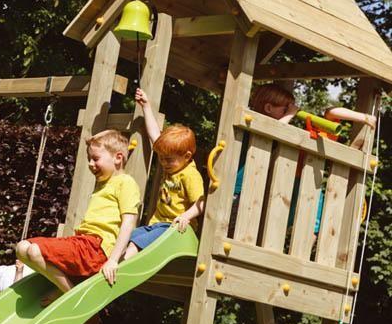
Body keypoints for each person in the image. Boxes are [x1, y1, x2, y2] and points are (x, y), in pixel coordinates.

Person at [231, 83, 377, 237]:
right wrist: (290, 114)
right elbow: (271, 131)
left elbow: (331, 112)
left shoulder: (300, 130)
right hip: (240, 188)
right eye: (285, 108)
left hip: (268, 187)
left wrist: (365, 118)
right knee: (236, 228)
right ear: (268, 108)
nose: (291, 112)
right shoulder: (254, 122)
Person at [16, 129, 140, 304]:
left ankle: (70, 294)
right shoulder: (103, 184)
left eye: (95, 158)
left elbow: (129, 222)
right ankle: (68, 289)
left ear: (118, 158)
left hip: (97, 248)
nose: (90, 164)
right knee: (22, 248)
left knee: (34, 250)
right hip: (83, 243)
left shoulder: (126, 182)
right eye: (89, 159)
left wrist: (113, 260)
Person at [123, 88, 205, 260]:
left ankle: (122, 268)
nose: (163, 163)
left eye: (168, 159)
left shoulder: (190, 174)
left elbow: (201, 202)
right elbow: (155, 136)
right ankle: (116, 262)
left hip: (174, 229)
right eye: (161, 158)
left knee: (135, 245)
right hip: (156, 225)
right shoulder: (173, 163)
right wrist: (146, 105)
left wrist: (185, 216)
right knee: (128, 237)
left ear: (187, 156)